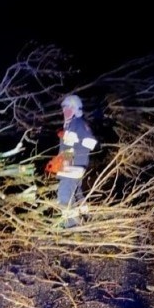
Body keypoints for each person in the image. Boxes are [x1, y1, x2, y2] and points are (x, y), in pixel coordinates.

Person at [46, 94, 98, 227]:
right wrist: (59, 162)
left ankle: (71, 226)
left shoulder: (78, 123)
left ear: (75, 109)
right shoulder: (71, 125)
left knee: (64, 195)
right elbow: (69, 147)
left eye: (67, 108)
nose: (64, 111)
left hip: (74, 166)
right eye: (63, 108)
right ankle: (88, 219)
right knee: (76, 193)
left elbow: (89, 142)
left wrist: (71, 154)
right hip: (74, 165)